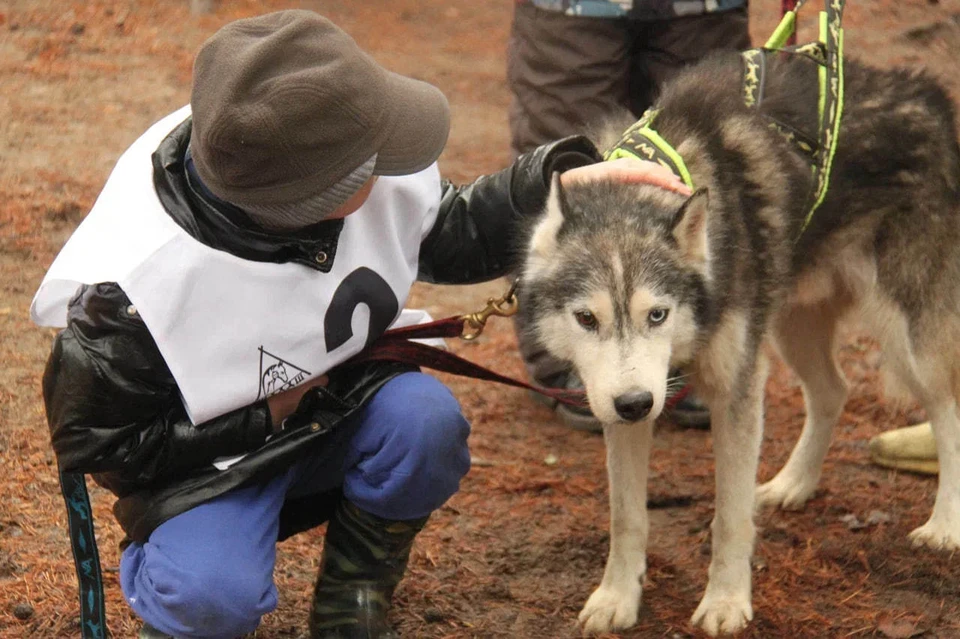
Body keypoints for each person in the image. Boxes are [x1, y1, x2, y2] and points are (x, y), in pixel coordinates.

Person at [32, 10, 690, 639]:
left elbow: (445, 228)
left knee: (426, 426)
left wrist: (552, 183)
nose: (393, 164)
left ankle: (356, 584)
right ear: (311, 204)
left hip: (333, 408)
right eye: (375, 156)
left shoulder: (316, 153)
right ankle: (177, 588)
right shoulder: (133, 289)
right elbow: (99, 443)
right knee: (211, 597)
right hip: (208, 466)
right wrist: (260, 417)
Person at [507, 0, 752, 431]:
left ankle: (690, 352)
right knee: (564, 168)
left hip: (703, 8)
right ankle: (566, 364)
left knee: (706, 171)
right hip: (571, 9)